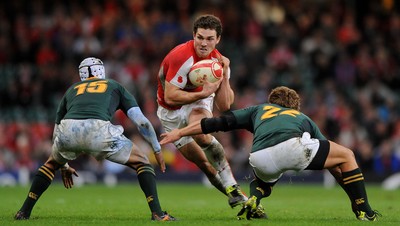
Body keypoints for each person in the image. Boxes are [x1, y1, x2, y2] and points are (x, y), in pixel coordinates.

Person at [159, 86, 381, 221]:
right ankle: (365, 211)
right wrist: (353, 196)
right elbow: (334, 163)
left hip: (258, 157)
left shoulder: (258, 109)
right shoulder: (300, 117)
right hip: (293, 148)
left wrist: (179, 132)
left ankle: (254, 198)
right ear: (294, 106)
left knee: (263, 180)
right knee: (347, 155)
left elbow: (214, 123)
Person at [14, 57, 176, 221]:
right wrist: (156, 149)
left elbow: (57, 133)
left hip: (68, 131)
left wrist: (63, 164)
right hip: (98, 130)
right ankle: (157, 213)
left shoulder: (71, 90)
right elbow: (142, 123)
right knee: (142, 161)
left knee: (49, 165)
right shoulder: (114, 85)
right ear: (102, 70)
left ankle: (23, 212)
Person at [156, 14, 251, 210]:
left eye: (209, 39)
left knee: (202, 136)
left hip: (198, 103)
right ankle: (238, 197)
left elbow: (224, 106)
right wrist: (205, 91)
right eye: (200, 37)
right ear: (193, 35)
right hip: (170, 112)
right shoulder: (180, 56)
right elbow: (170, 97)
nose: (204, 43)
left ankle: (234, 189)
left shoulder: (218, 63)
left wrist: (224, 76)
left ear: (218, 40)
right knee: (204, 164)